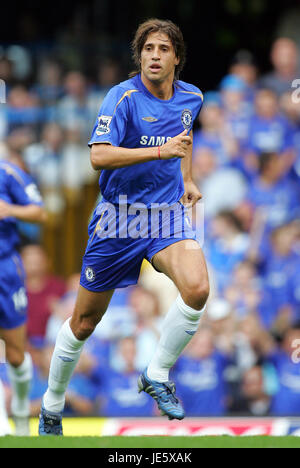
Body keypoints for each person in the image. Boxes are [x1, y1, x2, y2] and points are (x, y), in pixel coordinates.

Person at [39, 18, 210, 435]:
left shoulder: (192, 97)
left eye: (163, 49)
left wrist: (186, 179)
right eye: (148, 48)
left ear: (177, 58)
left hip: (166, 215)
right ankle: (51, 405)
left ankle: (156, 372)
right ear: (140, 56)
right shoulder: (122, 98)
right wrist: (158, 155)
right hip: (118, 217)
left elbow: (181, 139)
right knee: (83, 322)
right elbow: (98, 157)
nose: (155, 56)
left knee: (198, 288)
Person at [0, 157, 46, 435]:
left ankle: (19, 406)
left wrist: (9, 209)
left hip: (6, 269)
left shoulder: (8, 173)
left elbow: (40, 213)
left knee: (16, 354)